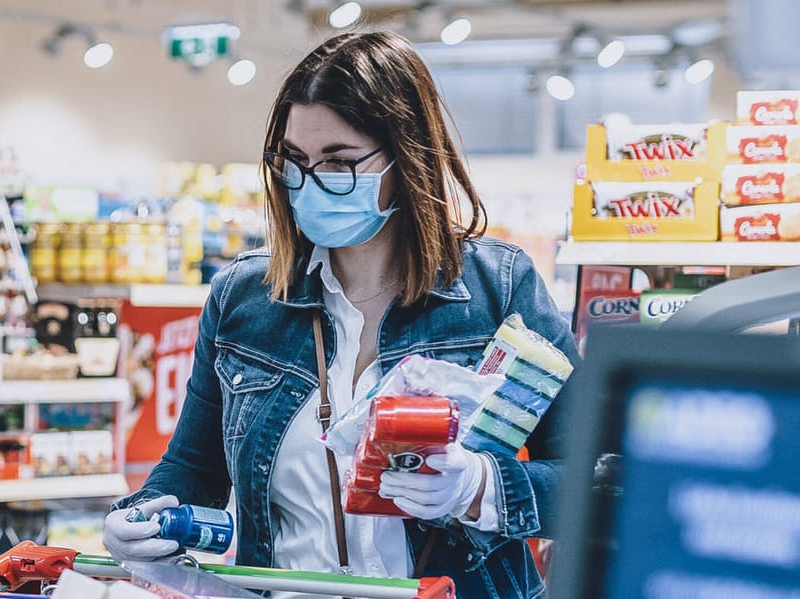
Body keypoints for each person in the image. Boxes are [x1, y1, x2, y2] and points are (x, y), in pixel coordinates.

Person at [104, 31, 579, 598]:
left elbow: (603, 479)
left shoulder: (498, 290)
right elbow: (191, 468)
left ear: (406, 157)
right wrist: (138, 520)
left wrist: (481, 487)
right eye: (295, 161)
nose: (309, 183)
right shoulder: (244, 301)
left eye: (339, 162)